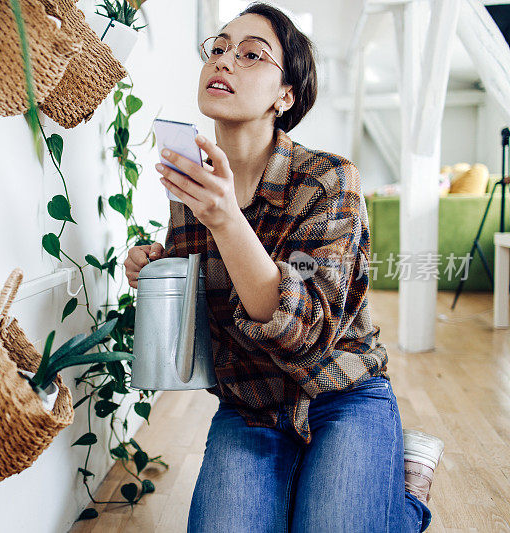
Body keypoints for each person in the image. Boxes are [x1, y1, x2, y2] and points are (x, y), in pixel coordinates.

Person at [123, 3, 445, 531]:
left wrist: (226, 219)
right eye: (220, 48)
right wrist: (158, 271)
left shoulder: (329, 180)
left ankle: (405, 496)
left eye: (252, 55)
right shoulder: (195, 191)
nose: (225, 61)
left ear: (285, 95)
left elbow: (305, 335)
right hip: (250, 406)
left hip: (342, 394)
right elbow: (203, 319)